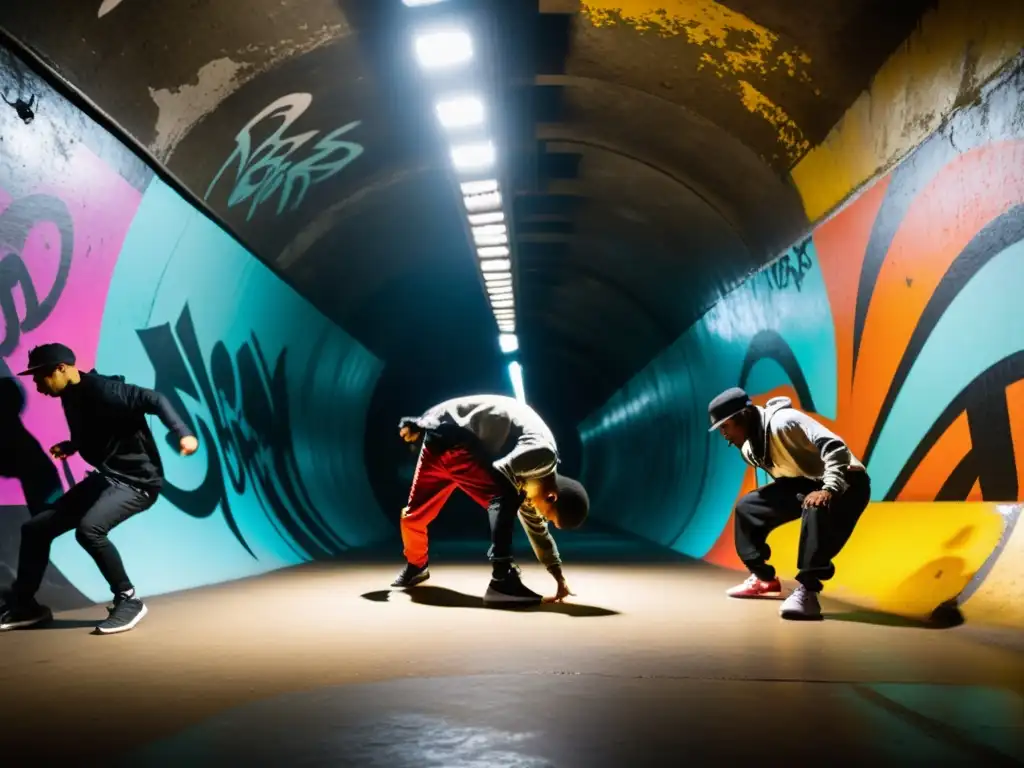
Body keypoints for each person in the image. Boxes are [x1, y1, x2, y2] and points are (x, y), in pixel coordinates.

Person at [0, 343, 198, 634]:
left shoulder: (105, 390)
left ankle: (128, 599)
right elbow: (99, 427)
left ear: (61, 369)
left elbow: (154, 398)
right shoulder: (69, 394)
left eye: (40, 377)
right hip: (107, 478)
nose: (38, 386)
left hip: (137, 483)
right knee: (36, 529)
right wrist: (74, 445)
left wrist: (183, 433)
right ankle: (25, 606)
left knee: (89, 530)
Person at [392, 394, 589, 606]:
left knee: (413, 517)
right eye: (548, 517)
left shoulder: (535, 484)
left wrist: (558, 577)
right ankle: (502, 581)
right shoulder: (544, 455)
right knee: (504, 496)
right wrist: (423, 423)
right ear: (552, 496)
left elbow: (538, 534)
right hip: (457, 443)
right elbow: (501, 471)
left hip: (438, 441)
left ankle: (417, 567)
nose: (543, 519)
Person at [708, 387, 870, 620]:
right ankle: (765, 581)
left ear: (743, 416)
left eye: (725, 426)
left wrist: (828, 489)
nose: (723, 434)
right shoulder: (748, 448)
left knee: (814, 506)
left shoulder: (785, 422)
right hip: (804, 482)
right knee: (748, 507)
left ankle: (808, 591)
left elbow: (835, 447)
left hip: (847, 483)